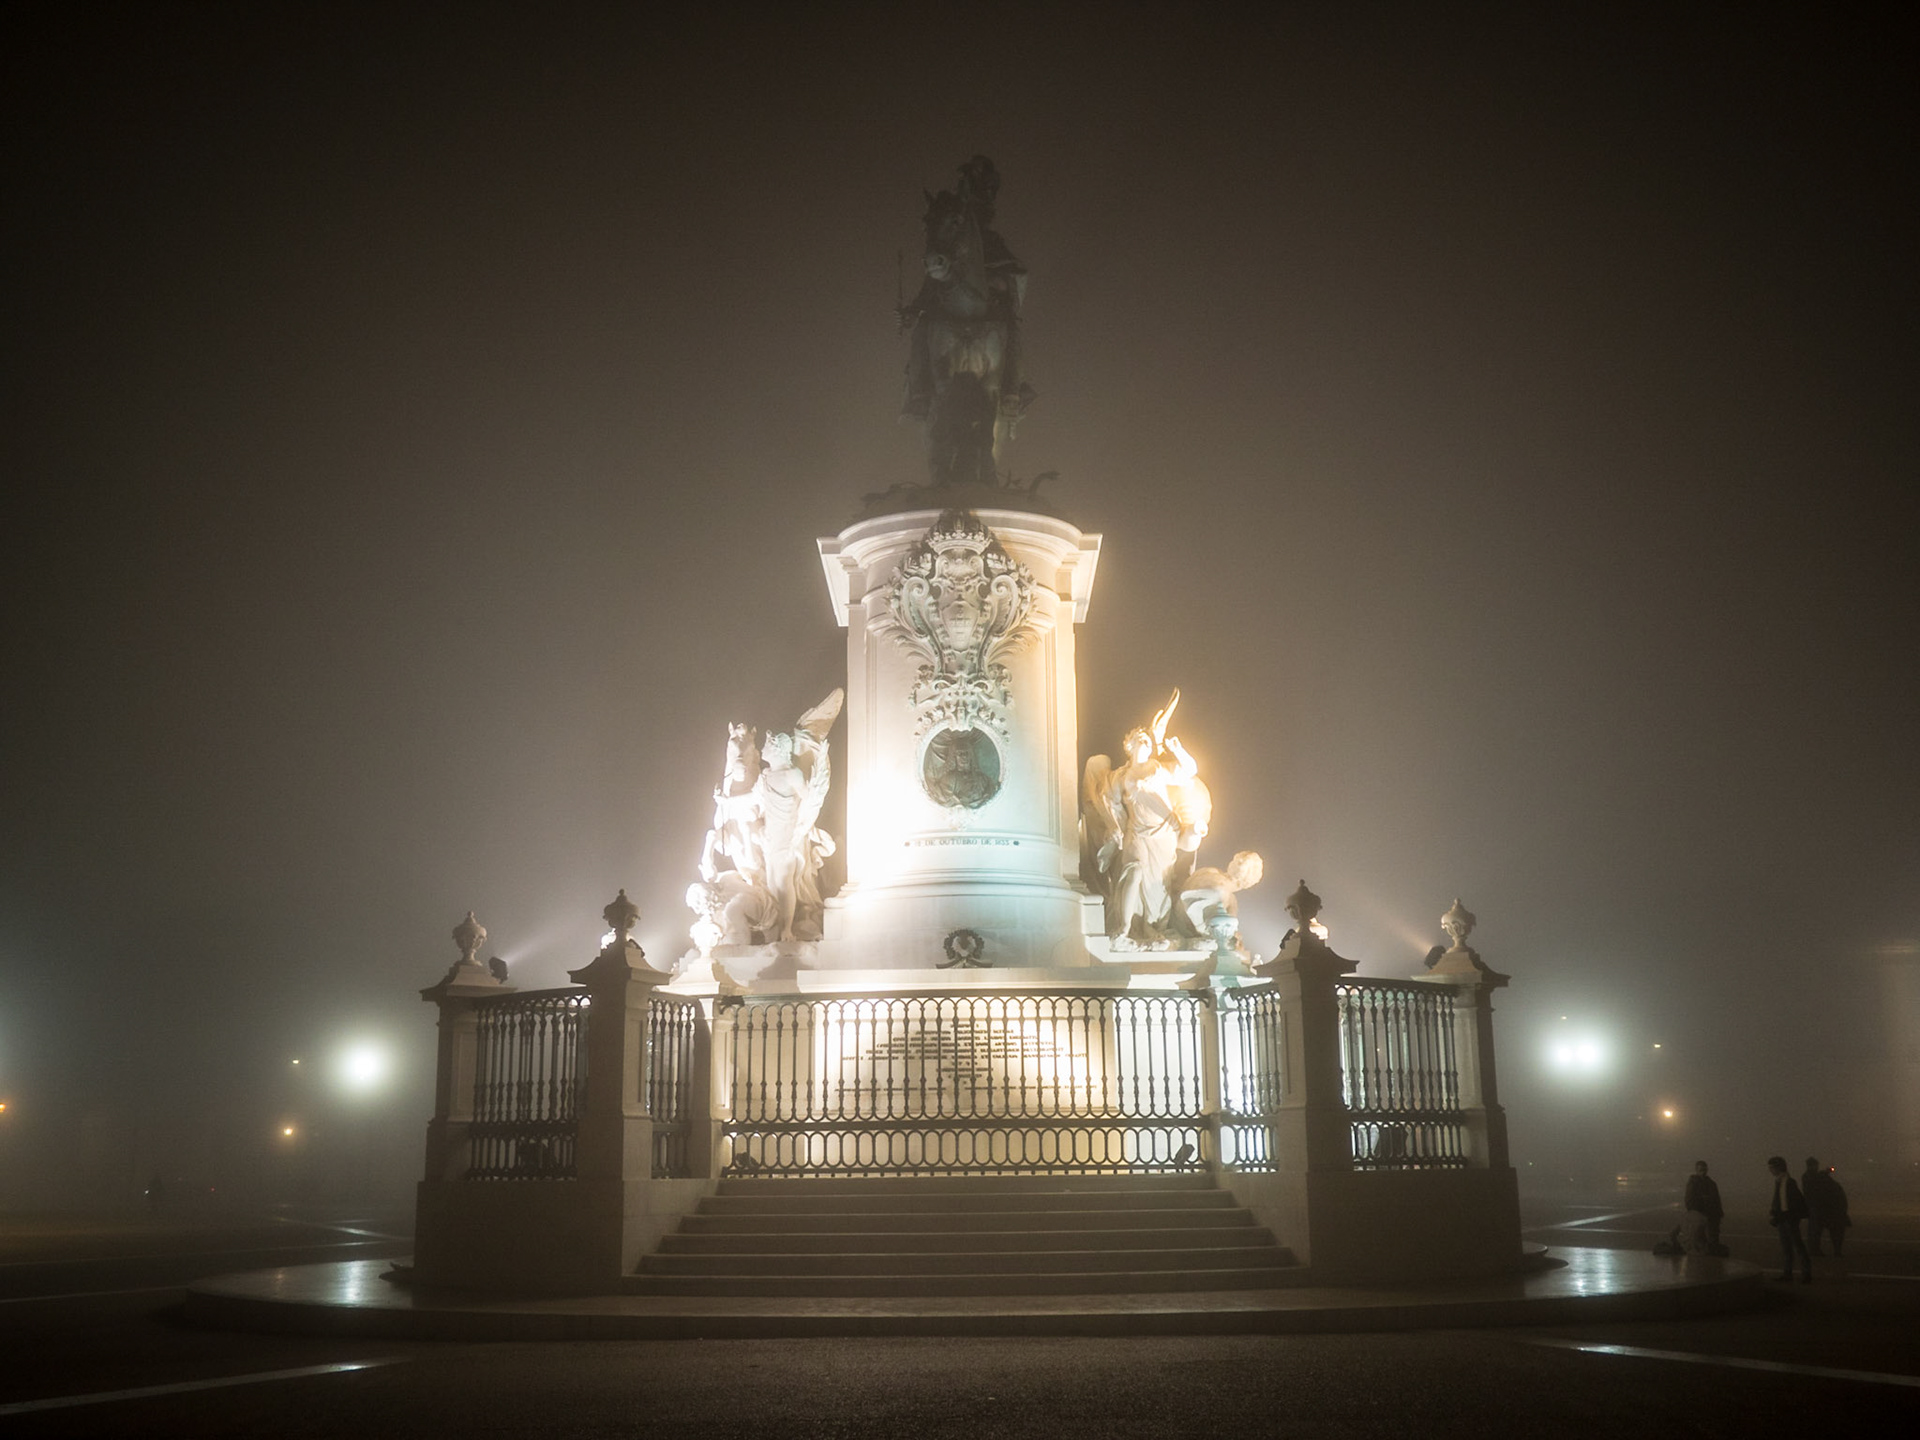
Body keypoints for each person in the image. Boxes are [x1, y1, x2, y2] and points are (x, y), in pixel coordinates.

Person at [1766, 1155, 1812, 1282]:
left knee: (1796, 1246)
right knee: (1788, 1248)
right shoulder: (1781, 1181)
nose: (1770, 1171)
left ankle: (1805, 1273)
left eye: (1772, 1168)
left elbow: (1791, 1203)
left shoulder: (1788, 1182)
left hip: (1788, 1219)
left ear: (1778, 1168)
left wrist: (1780, 1214)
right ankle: (1789, 1273)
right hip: (1783, 1219)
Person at [1803, 1158, 1851, 1257]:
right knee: (1819, 1232)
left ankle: (1819, 1251)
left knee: (1818, 1232)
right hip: (1821, 1208)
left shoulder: (1812, 1176)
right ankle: (1819, 1251)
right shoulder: (1811, 1177)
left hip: (1824, 1209)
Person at [1684, 1160, 1725, 1249]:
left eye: (1704, 1169)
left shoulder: (1711, 1183)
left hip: (1711, 1216)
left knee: (1711, 1239)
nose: (1703, 1172)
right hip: (1701, 1215)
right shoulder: (1694, 1183)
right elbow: (1689, 1201)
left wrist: (1719, 1212)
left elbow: (1716, 1199)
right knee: (1701, 1239)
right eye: (1701, 1169)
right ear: (1696, 1170)